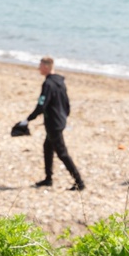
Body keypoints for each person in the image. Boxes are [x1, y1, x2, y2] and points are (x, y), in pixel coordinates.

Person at [18, 57, 85, 191]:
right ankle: (48, 179)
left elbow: (41, 105)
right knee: (47, 148)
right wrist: (64, 117)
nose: (38, 68)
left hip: (53, 123)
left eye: (40, 66)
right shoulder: (60, 82)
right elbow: (67, 103)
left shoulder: (48, 84)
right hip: (59, 120)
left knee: (62, 153)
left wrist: (28, 119)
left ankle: (79, 182)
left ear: (47, 67)